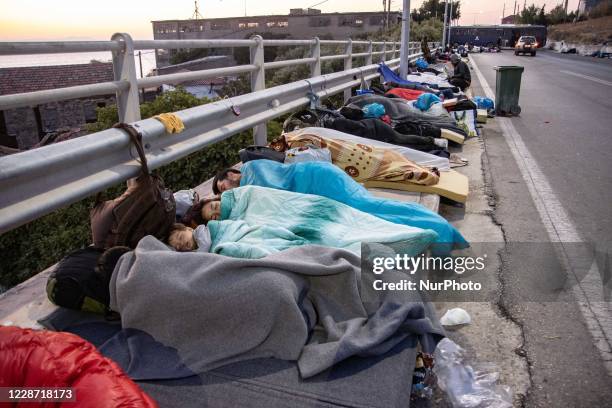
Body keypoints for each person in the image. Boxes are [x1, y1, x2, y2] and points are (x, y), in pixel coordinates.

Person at [211, 160, 468, 253]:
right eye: (224, 194)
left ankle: (440, 231)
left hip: (318, 181)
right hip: (317, 186)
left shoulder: (253, 171)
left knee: (369, 210)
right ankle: (438, 231)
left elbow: (270, 193)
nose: (230, 191)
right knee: (370, 211)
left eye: (225, 186)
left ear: (232, 174)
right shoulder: (251, 183)